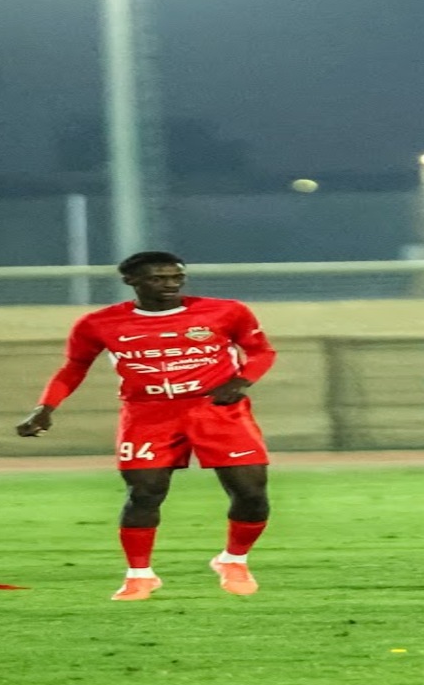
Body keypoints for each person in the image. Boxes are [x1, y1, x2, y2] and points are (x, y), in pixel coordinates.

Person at [15, 251, 277, 602]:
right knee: (144, 492)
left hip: (216, 411)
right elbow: (73, 368)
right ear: (131, 281)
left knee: (251, 492)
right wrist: (45, 408)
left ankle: (233, 560)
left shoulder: (226, 311)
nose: (170, 284)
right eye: (158, 278)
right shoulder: (99, 323)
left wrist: (241, 381)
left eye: (176, 277)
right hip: (147, 414)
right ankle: (140, 576)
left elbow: (262, 352)